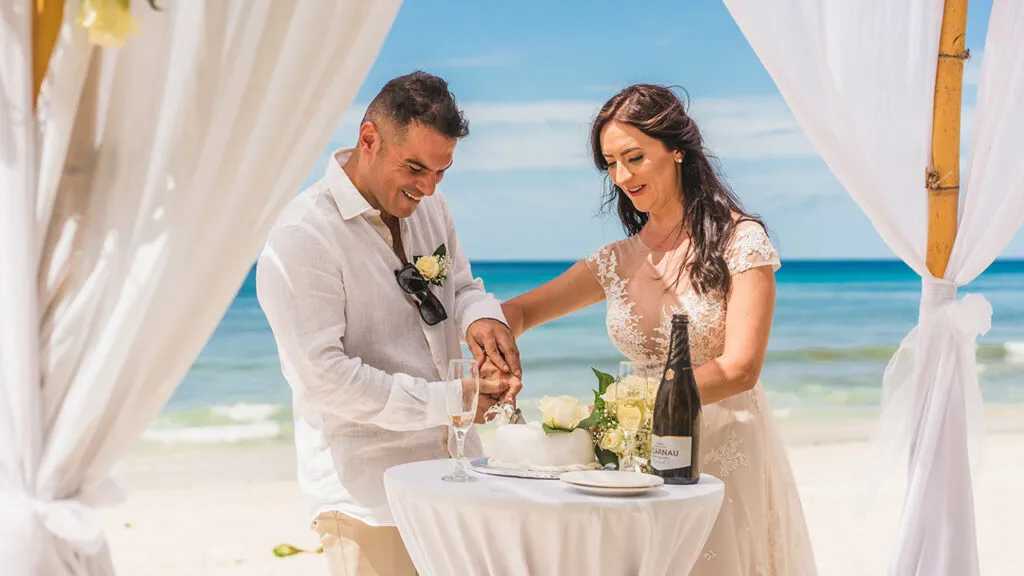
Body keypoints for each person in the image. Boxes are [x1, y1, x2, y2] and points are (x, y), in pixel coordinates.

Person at [497, 84, 817, 575]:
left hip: (723, 446)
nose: (622, 176)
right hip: (636, 455)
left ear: (677, 151)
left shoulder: (742, 242)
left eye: (635, 158)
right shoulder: (616, 260)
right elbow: (520, 312)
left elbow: (741, 369)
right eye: (610, 163)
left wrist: (632, 400)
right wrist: (494, 348)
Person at [256, 71, 522, 576]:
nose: (428, 187)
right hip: (367, 499)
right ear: (369, 139)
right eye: (415, 168)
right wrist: (456, 400)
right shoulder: (302, 236)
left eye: (441, 172)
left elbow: (461, 285)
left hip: (457, 475)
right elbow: (325, 379)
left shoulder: (431, 205)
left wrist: (483, 318)